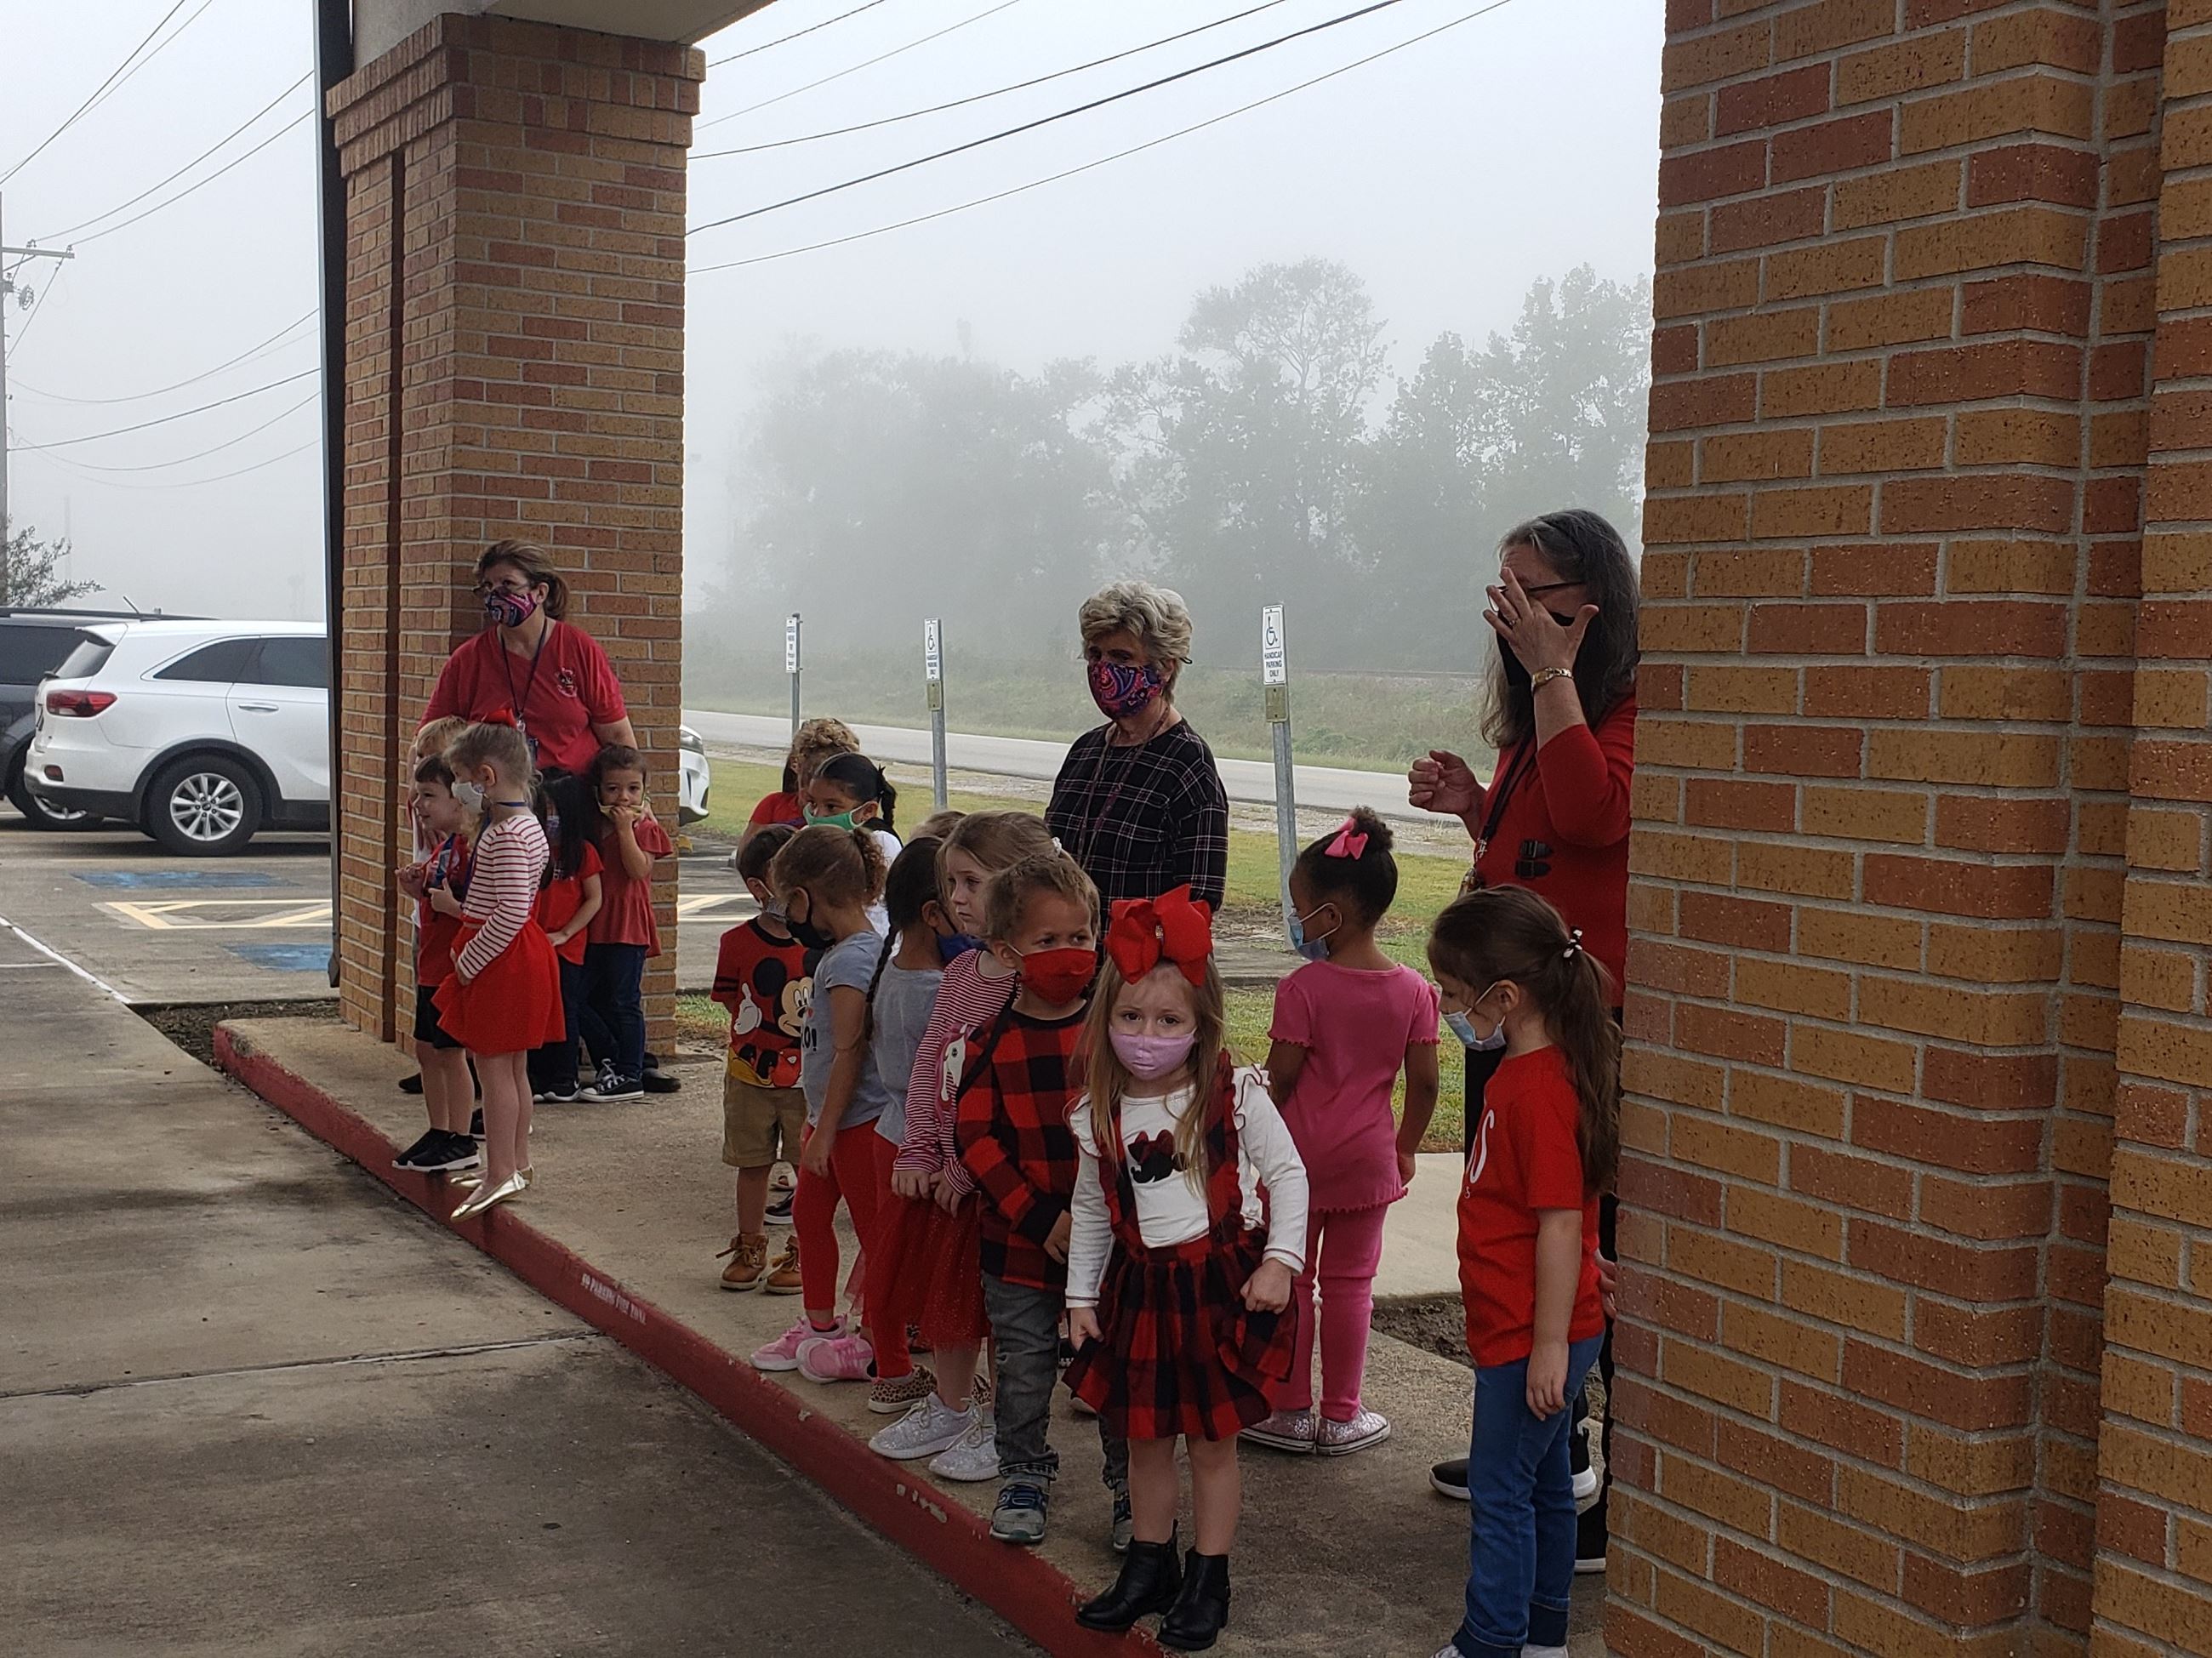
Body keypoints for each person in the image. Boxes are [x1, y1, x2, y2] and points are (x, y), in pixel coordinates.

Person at [1406, 507, 1636, 1537]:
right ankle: (1548, 1444)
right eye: (1501, 597)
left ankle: (1594, 1476)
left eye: (1531, 598)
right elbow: (1542, 846)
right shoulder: (1540, 713)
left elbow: (1595, 818)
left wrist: (1550, 672)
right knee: (1503, 1217)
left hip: (1576, 1031)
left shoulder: (1619, 705)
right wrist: (1470, 804)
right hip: (1504, 1017)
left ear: (1589, 603)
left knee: (1579, 1236)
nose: (1511, 617)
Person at [1064, 887, 1308, 1651]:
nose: (1146, 1035)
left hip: (1216, 1287)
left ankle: (1210, 1573)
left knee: (1210, 1440)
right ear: (1106, 1019)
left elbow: (1291, 1175)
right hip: (1139, 1291)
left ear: (1200, 1025)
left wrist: (1282, 1260)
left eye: (1169, 1020)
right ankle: (1149, 1562)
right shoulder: (1097, 1112)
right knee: (1143, 1435)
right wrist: (1079, 1296)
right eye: (1130, 1017)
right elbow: (1096, 1208)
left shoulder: (1230, 1095)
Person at [1424, 886, 1617, 1658]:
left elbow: (1560, 1222)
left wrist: (1544, 1345)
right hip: (1538, 1329)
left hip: (1527, 1339)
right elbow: (1570, 1210)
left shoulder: (1537, 1089)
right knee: (1542, 1491)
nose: (1444, 1004)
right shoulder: (1538, 1071)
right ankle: (1542, 1638)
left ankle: (1490, 1640)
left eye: (1453, 992)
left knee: (1500, 1495)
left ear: (1506, 996)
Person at [1242, 808, 1440, 1457]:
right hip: (1366, 1162)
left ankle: (1290, 1409)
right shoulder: (1414, 990)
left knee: (1293, 1279)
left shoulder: (1302, 988)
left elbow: (1283, 1078)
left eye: (1300, 907)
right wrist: (1404, 1145)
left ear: (1331, 914)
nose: (1295, 919)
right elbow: (1427, 1082)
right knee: (1353, 1284)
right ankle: (1343, 1413)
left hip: (1296, 1163)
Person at [881, 810, 1058, 1486]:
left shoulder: (1029, 984)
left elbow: (1008, 1092)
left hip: (1004, 1180)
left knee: (1007, 1316)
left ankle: (1000, 1419)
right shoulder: (961, 975)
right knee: (949, 1301)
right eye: (951, 881)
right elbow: (934, 1065)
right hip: (949, 1177)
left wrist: (962, 1163)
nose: (956, 896)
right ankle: (951, 1403)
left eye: (972, 881)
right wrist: (919, 1148)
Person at [955, 848, 1121, 1549]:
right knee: (1023, 1368)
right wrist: (1036, 1214)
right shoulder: (989, 1042)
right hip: (1022, 1242)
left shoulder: (1121, 1033)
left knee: (1117, 1367)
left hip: (1112, 1243)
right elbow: (975, 1136)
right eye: (1047, 941)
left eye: (1080, 937)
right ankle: (1023, 1472)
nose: (1069, 953)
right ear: (1005, 950)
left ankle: (1132, 1485)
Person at [748, 825, 892, 1376]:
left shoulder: (855, 960)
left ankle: (878, 1338)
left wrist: (826, 1130)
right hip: (827, 1120)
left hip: (855, 1123)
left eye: (787, 900)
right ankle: (819, 1322)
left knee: (874, 1232)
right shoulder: (839, 956)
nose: (785, 913)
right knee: (809, 1218)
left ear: (806, 897)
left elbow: (851, 1051)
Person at [832, 837, 956, 1418]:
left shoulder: (891, 971)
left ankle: (892, 1367)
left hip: (891, 1129)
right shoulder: (938, 989)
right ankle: (920, 1380)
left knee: (888, 1254)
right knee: (931, 1264)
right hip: (924, 1140)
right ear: (935, 912)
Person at [431, 717, 567, 1220]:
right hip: (511, 956)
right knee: (511, 1070)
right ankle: (515, 1164)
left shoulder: (508, 833)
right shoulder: (521, 823)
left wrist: (469, 961)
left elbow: (510, 910)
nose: (461, 791)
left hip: (501, 960)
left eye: (462, 780)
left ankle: (500, 1170)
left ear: (485, 777)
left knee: (495, 1071)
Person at [1046, 581, 1229, 909]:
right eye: (1095, 655)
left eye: (1121, 657)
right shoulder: (1084, 751)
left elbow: (1199, 898)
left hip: (1140, 959)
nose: (1103, 670)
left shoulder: (1188, 763)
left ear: (1165, 666)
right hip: (1068, 956)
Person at [422, 538, 635, 778]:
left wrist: (636, 798)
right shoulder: (468, 659)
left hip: (570, 794)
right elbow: (429, 740)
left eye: (507, 584)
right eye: (488, 587)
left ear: (540, 592)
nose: (495, 594)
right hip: (495, 797)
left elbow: (617, 738)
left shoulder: (579, 649)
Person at [710, 823, 813, 1295]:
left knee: (807, 1168)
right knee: (751, 1162)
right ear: (760, 888)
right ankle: (750, 1244)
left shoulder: (820, 946)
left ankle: (803, 1248)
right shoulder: (736, 942)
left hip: (809, 1079)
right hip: (750, 1075)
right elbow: (732, 1001)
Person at [391, 749, 480, 1175]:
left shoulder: (473, 849)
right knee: (426, 1049)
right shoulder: (444, 847)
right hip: (430, 964)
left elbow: (483, 910)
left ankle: (461, 1137)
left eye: (428, 795)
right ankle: (438, 1127)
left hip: (452, 967)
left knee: (450, 1053)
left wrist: (449, 905)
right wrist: (417, 888)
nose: (419, 806)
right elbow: (436, 895)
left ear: (457, 800)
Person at [578, 744, 673, 1103]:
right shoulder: (591, 826)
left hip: (626, 925)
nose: (623, 797)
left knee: (624, 1000)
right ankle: (611, 1056)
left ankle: (631, 1072)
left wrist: (625, 830)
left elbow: (638, 870)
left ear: (644, 790)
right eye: (613, 789)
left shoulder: (644, 827)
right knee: (575, 997)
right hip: (592, 921)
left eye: (633, 788)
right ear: (599, 790)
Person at [528, 772, 603, 1105]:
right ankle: (536, 1076)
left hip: (566, 946)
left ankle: (564, 1076)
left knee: (566, 1010)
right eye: (545, 811)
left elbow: (594, 898)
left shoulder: (583, 852)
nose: (551, 819)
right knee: (534, 1009)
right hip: (533, 944)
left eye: (556, 811)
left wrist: (566, 933)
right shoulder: (531, 848)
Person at [739, 717, 860, 853]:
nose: (817, 813)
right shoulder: (773, 805)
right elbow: (745, 856)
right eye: (811, 799)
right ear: (796, 768)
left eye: (831, 805)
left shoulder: (853, 819)